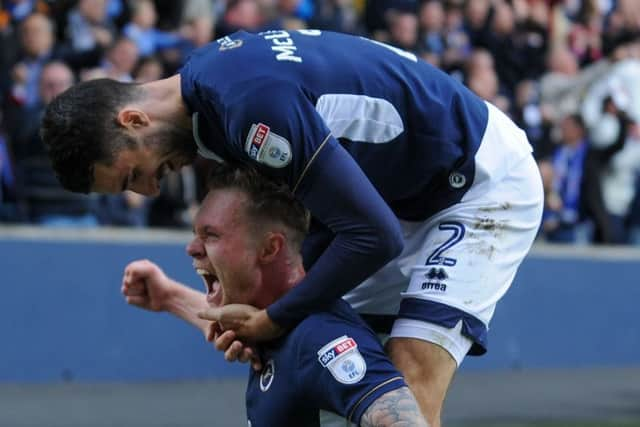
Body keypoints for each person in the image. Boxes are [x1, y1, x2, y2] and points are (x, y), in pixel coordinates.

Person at [41, 29, 544, 426]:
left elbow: (375, 236)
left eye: (132, 174)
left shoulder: (248, 109)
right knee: (320, 363)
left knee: (405, 390)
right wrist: (196, 302)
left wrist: (275, 318)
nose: (148, 191)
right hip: (394, 194)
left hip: (477, 183)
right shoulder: (210, 87)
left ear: (133, 121)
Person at [122, 166, 428, 427]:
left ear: (270, 248)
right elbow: (230, 322)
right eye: (195, 234)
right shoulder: (272, 322)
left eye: (211, 235)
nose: (192, 248)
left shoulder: (318, 336)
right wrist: (169, 297)